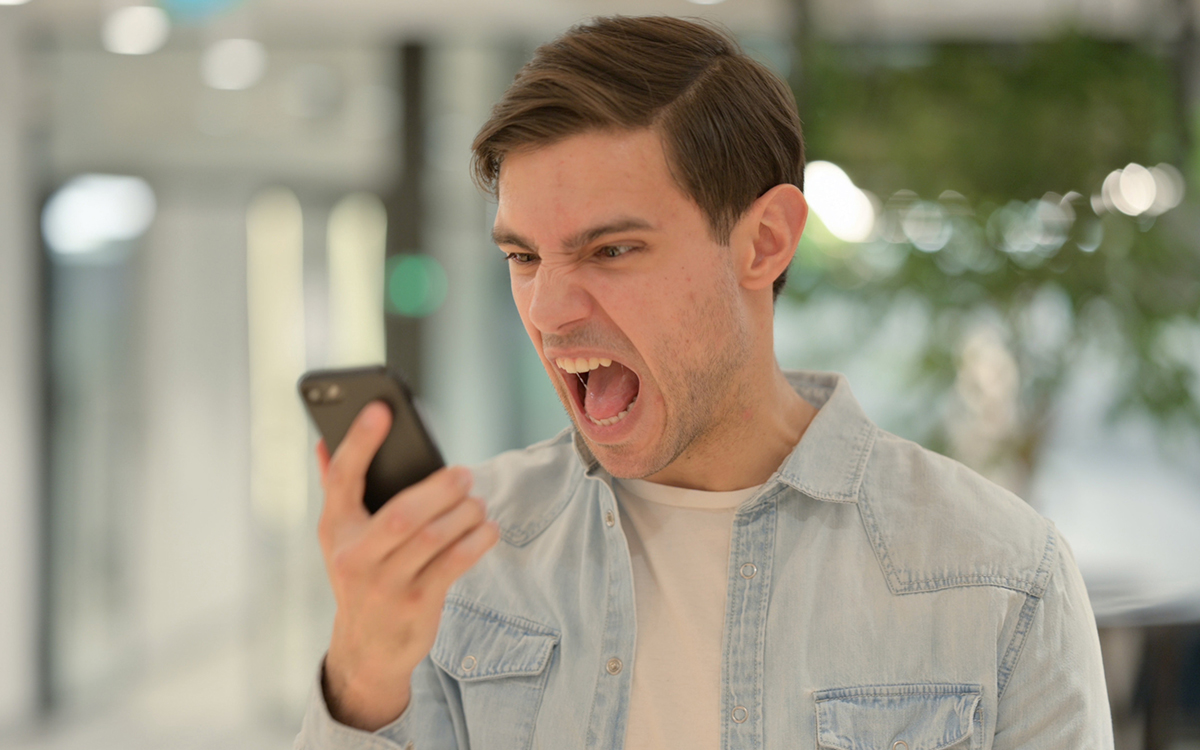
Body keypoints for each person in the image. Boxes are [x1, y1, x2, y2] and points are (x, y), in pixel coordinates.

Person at [297, 15, 1113, 750]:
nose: (547, 310)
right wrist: (361, 683)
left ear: (765, 242)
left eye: (612, 250)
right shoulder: (465, 559)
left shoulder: (1003, 575)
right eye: (523, 257)